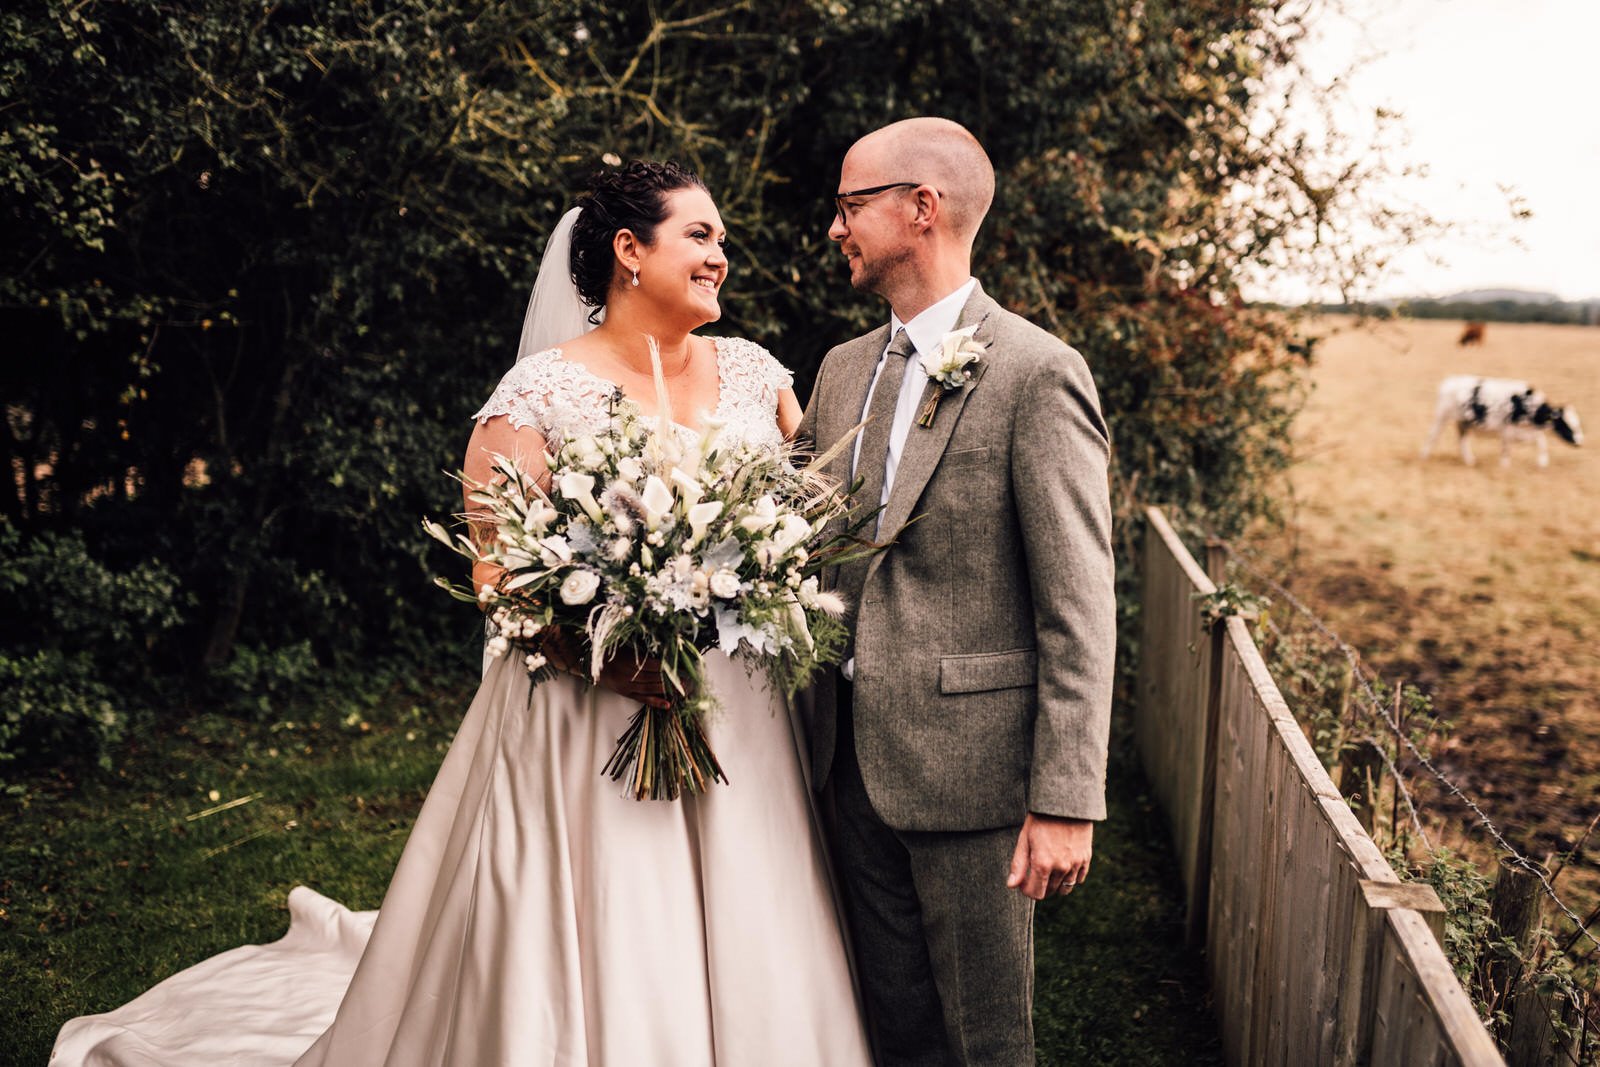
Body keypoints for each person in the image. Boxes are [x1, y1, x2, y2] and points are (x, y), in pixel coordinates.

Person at [52, 161, 871, 1067]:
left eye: (721, 238)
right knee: (615, 918)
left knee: (753, 907)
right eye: (701, 235)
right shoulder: (536, 395)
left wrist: (762, 584)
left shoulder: (760, 377)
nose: (722, 255)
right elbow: (498, 577)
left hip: (740, 712)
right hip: (589, 708)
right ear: (630, 252)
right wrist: (608, 649)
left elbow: (803, 522)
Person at [799, 118, 1117, 1066]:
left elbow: (1079, 602)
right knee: (892, 1025)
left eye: (852, 205)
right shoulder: (841, 369)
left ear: (921, 209)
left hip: (975, 774)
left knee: (986, 1039)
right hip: (842, 758)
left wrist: (1066, 798)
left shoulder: (1036, 372)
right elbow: (793, 537)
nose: (835, 226)